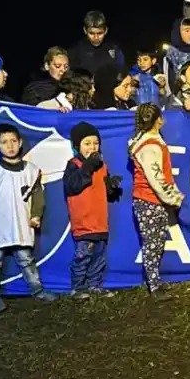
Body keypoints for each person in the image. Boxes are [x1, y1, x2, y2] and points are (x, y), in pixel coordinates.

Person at [0, 124, 57, 313]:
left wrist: (36, 215)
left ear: (20, 143)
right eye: (4, 142)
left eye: (13, 141)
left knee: (26, 259)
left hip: (21, 223)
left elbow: (38, 196)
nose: (10, 146)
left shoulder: (32, 170)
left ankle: (37, 290)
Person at [128, 104, 185, 301]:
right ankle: (153, 285)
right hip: (148, 200)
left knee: (157, 242)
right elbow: (156, 178)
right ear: (158, 120)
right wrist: (174, 197)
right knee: (152, 243)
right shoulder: (150, 147)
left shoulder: (151, 143)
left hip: (154, 201)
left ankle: (156, 280)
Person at [63, 122, 123, 299]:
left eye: (95, 143)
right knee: (82, 257)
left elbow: (104, 192)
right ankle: (77, 288)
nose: (92, 147)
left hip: (100, 222)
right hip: (83, 223)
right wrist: (88, 165)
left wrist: (111, 187)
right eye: (87, 143)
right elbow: (72, 186)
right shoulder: (73, 165)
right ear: (77, 146)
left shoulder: (102, 166)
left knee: (99, 257)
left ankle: (95, 285)